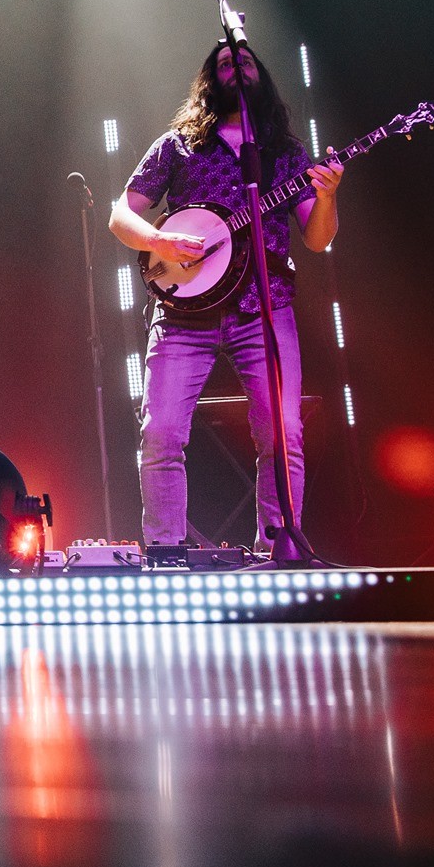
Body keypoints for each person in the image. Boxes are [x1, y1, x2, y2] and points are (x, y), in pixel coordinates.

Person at [110, 43, 345, 553]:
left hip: (265, 307)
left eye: (244, 61)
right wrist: (159, 241)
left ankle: (276, 551)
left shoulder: (285, 153)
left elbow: (317, 238)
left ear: (260, 76)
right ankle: (165, 553)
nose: (235, 68)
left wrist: (327, 197)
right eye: (223, 64)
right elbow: (120, 215)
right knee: (161, 432)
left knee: (282, 434)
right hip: (182, 314)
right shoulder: (177, 146)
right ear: (209, 80)